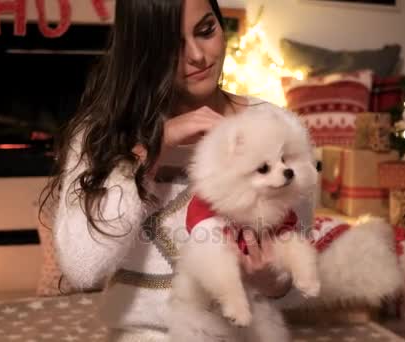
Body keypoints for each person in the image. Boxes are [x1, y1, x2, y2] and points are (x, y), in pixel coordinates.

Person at [42, 0, 311, 341]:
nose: (198, 55)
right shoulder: (102, 134)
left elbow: (297, 287)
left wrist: (271, 279)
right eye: (172, 44)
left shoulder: (276, 127)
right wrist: (152, 149)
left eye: (206, 30)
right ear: (142, 50)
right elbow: (83, 269)